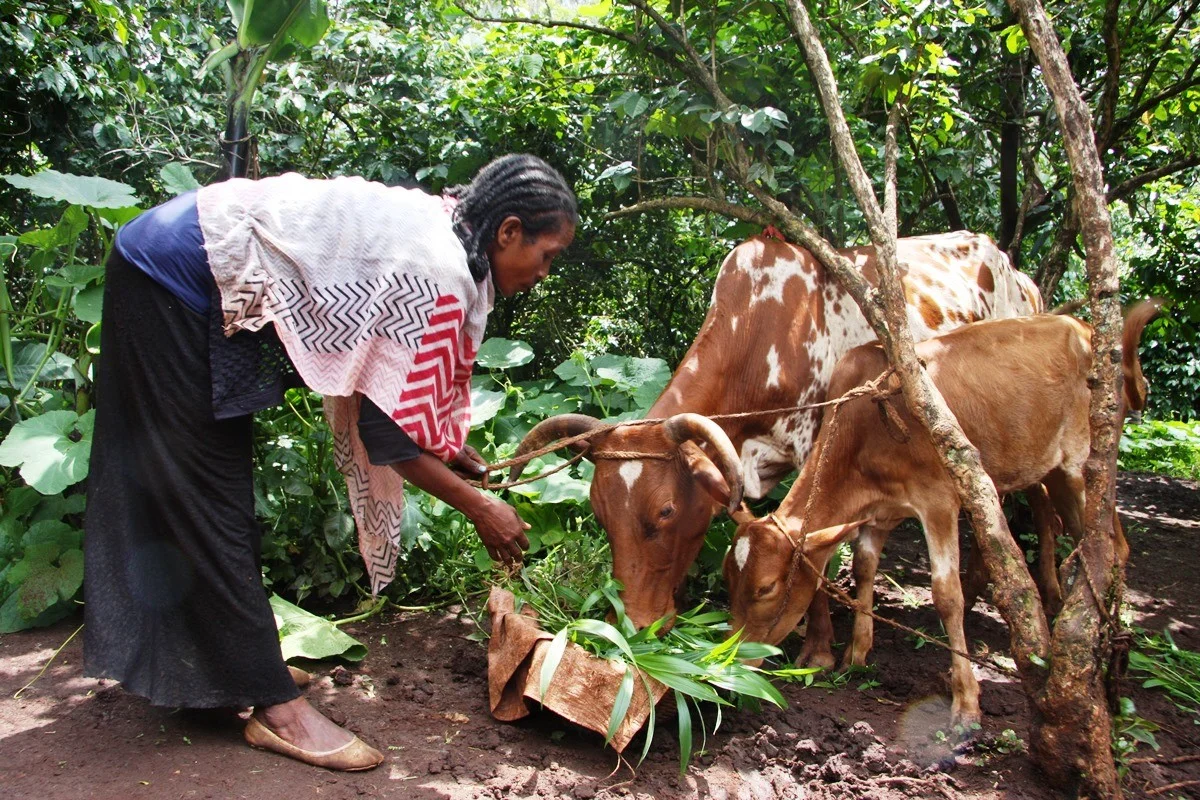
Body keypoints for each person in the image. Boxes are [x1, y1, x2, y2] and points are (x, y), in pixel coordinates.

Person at [83, 154, 578, 771]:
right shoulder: (439, 269)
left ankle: (226, 668)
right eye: (548, 255)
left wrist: (448, 448)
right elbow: (388, 439)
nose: (545, 272)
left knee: (209, 493)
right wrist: (480, 508)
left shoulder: (456, 237)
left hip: (192, 266)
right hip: (172, 275)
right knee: (207, 500)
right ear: (508, 231)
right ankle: (274, 707)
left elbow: (397, 400)